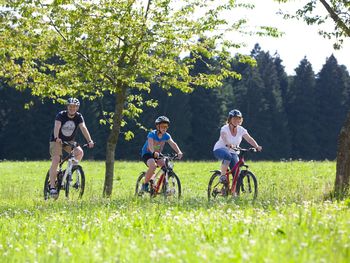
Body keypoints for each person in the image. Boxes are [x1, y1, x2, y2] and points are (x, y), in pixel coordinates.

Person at [48, 98, 94, 198]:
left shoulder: (78, 117)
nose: (72, 108)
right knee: (56, 159)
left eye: (74, 106)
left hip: (69, 141)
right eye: (70, 106)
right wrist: (57, 137)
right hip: (57, 140)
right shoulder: (61, 115)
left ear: (77, 108)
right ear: (67, 107)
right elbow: (57, 127)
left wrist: (89, 140)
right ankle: (52, 187)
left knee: (79, 152)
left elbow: (83, 128)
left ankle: (69, 171)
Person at [213, 109, 262, 184]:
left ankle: (233, 193)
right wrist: (227, 143)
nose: (237, 120)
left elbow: (249, 139)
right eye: (234, 118)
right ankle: (222, 176)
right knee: (227, 156)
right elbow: (224, 136)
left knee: (236, 174)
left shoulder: (241, 130)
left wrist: (256, 146)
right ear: (230, 119)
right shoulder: (225, 128)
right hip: (220, 149)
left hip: (233, 151)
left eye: (238, 118)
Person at [140, 116, 183, 192]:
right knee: (153, 166)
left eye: (166, 127)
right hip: (147, 154)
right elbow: (150, 145)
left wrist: (179, 152)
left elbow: (173, 144)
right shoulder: (152, 134)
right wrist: (153, 152)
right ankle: (145, 184)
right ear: (157, 126)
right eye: (162, 126)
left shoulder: (166, 135)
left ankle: (162, 186)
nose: (164, 128)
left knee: (166, 167)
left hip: (158, 154)